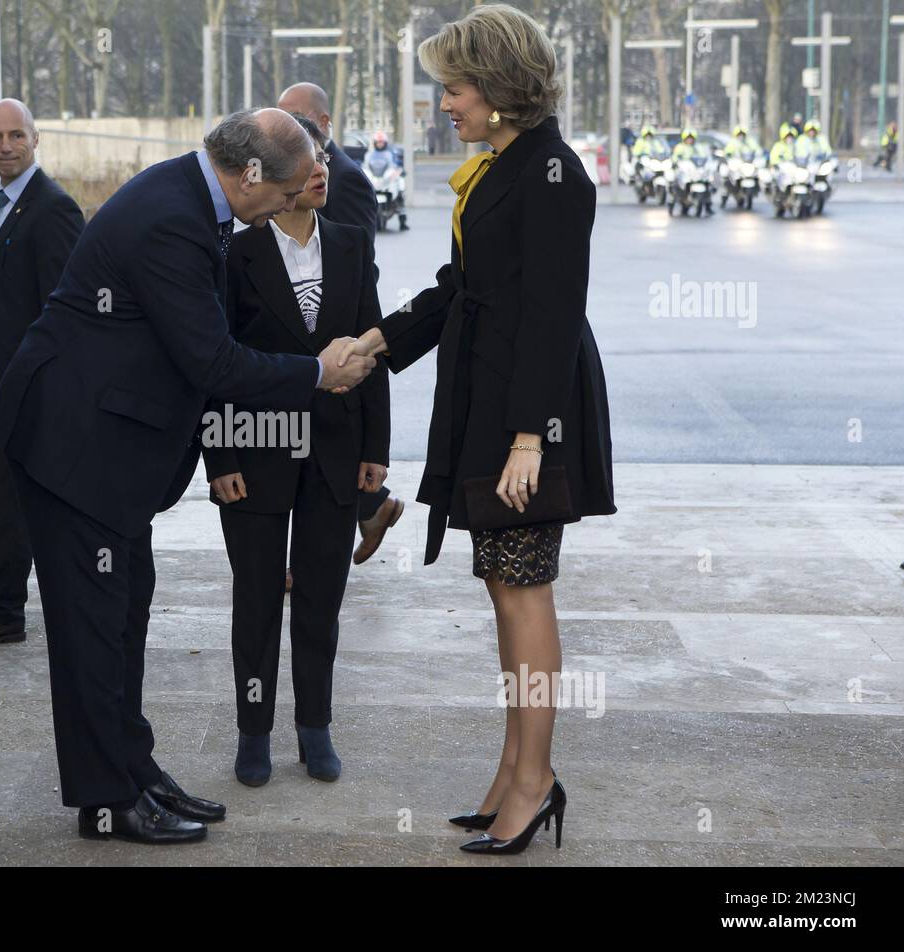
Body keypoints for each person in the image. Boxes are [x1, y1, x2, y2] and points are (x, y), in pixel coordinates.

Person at [0, 108, 377, 845]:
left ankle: (134, 772)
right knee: (94, 629)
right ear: (250, 174)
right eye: (287, 191)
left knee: (125, 610)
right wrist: (317, 372)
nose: (290, 203)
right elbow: (211, 359)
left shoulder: (194, 201)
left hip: (107, 452)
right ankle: (107, 801)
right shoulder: (173, 218)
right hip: (72, 446)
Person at [347, 4, 615, 856]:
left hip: (528, 418)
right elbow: (461, 287)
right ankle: (513, 771)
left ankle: (534, 783)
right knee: (504, 587)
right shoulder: (507, 164)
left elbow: (550, 315)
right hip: (495, 408)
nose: (445, 106)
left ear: (497, 90)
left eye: (454, 90)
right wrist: (381, 340)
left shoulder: (553, 175)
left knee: (524, 590)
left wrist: (529, 440)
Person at [205, 115, 390, 788]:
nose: (320, 172)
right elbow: (213, 360)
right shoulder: (234, 251)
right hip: (253, 452)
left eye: (326, 161)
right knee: (255, 600)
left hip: (336, 450)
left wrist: (378, 449)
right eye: (306, 162)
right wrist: (218, 456)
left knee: (320, 598)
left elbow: (375, 348)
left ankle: (316, 730)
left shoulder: (350, 243)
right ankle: (254, 733)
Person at [0, 99, 84, 649]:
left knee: (13, 502)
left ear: (35, 139)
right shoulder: (0, 204)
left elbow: (67, 309)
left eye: (14, 136)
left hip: (26, 392)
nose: (4, 145)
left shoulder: (51, 208)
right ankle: (8, 603)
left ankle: (6, 609)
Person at [277, 82, 405, 568]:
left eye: (295, 117)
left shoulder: (344, 180)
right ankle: (372, 508)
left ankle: (364, 511)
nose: (284, 126)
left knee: (325, 453)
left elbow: (355, 260)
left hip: (336, 343)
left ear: (324, 124)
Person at [364, 130, 410, 231]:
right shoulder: (369, 155)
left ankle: (403, 221)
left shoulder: (391, 153)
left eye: (382, 142)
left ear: (385, 143)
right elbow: (365, 166)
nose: (380, 144)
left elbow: (397, 164)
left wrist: (398, 170)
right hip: (374, 179)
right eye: (378, 142)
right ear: (375, 143)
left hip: (387, 179)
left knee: (400, 187)